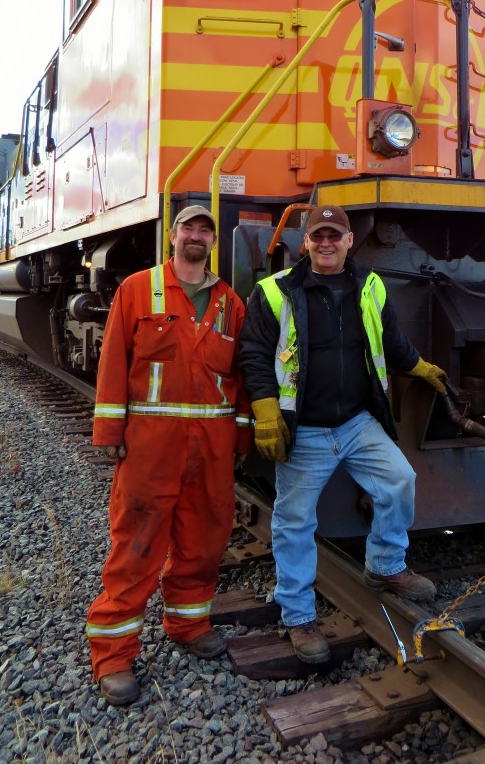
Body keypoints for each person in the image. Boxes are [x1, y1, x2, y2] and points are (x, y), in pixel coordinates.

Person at [238, 205, 447, 666]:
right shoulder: (274, 292)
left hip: (357, 423)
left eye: (335, 236)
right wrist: (265, 404)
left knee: (399, 480)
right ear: (305, 242)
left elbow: (390, 341)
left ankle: (385, 566)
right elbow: (253, 351)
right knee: (294, 522)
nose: (326, 243)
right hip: (305, 428)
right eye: (318, 236)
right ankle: (297, 615)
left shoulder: (369, 287)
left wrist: (417, 366)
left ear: (350, 241)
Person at [86, 206, 251, 706]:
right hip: (151, 447)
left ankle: (188, 623)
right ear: (173, 237)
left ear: (213, 241)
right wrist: (109, 430)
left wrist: (241, 439)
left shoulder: (230, 303)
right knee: (136, 543)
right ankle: (113, 653)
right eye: (189, 228)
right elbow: (114, 359)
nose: (196, 237)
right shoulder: (137, 289)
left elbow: (240, 378)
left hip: (212, 447)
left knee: (204, 538)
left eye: (205, 230)